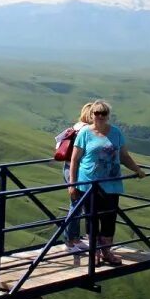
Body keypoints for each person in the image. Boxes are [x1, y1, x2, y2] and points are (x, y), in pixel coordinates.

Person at [68, 99, 145, 266]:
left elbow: (124, 156)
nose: (100, 116)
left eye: (104, 113)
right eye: (97, 113)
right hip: (89, 184)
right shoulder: (84, 133)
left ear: (108, 115)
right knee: (92, 219)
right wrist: (72, 184)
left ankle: (106, 252)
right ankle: (94, 254)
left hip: (111, 184)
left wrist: (137, 169)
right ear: (92, 114)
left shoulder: (116, 133)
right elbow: (74, 160)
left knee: (109, 220)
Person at [61, 102, 94, 253]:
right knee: (76, 206)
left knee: (77, 205)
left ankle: (74, 239)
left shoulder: (76, 126)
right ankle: (69, 242)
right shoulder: (87, 130)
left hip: (68, 168)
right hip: (78, 170)